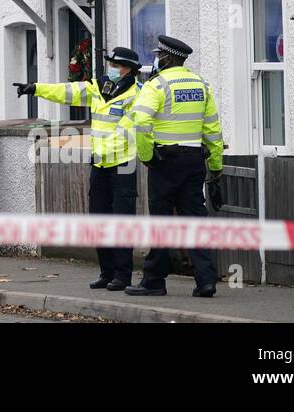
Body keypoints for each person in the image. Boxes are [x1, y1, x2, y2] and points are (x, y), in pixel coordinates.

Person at [14, 46, 143, 291]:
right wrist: (36, 88)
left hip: (123, 164)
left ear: (129, 69)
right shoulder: (100, 88)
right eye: (110, 64)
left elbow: (131, 129)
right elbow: (68, 91)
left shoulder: (138, 95)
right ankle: (106, 272)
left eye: (116, 65)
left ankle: (122, 275)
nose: (111, 69)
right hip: (100, 164)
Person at [123, 34, 224, 298]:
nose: (157, 60)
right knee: (196, 221)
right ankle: (206, 280)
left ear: (167, 58)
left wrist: (147, 157)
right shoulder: (201, 84)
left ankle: (154, 280)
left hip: (165, 162)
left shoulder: (157, 85)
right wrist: (216, 165)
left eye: (159, 56)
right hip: (194, 161)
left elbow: (141, 122)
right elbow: (212, 129)